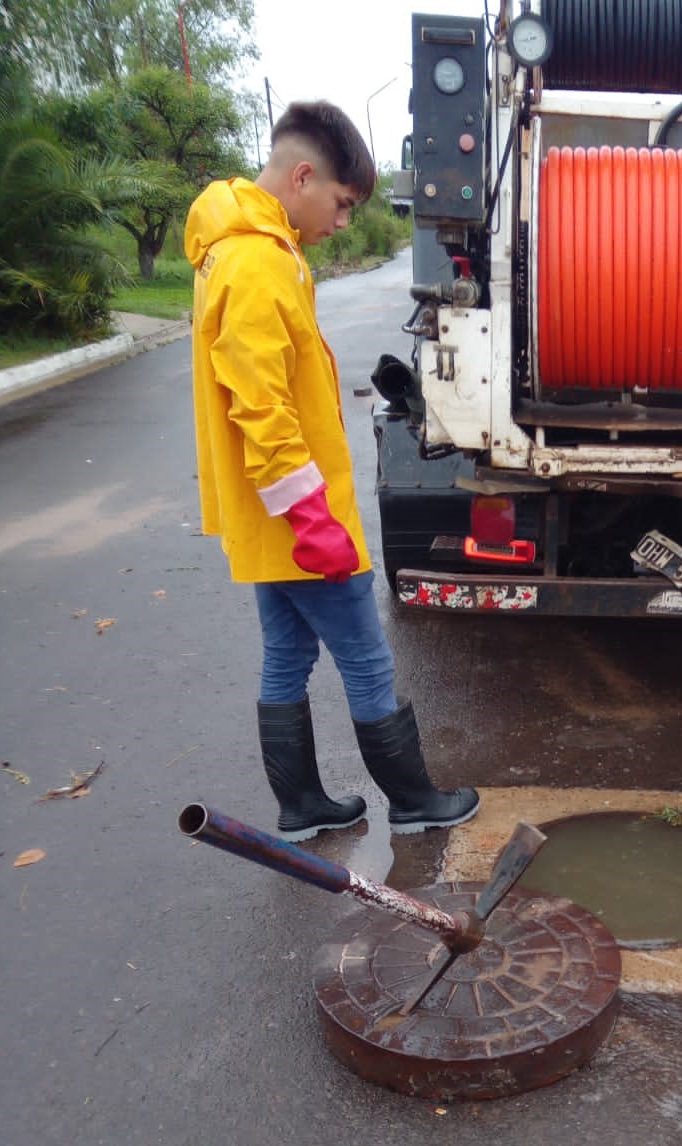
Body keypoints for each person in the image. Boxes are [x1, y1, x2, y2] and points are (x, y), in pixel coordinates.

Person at [184, 100, 479, 842]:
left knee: (286, 654)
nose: (343, 222)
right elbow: (261, 407)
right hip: (300, 518)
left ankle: (302, 804)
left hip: (271, 519)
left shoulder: (239, 248)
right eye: (342, 205)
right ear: (304, 175)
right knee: (366, 657)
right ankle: (412, 800)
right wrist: (313, 520)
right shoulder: (254, 262)